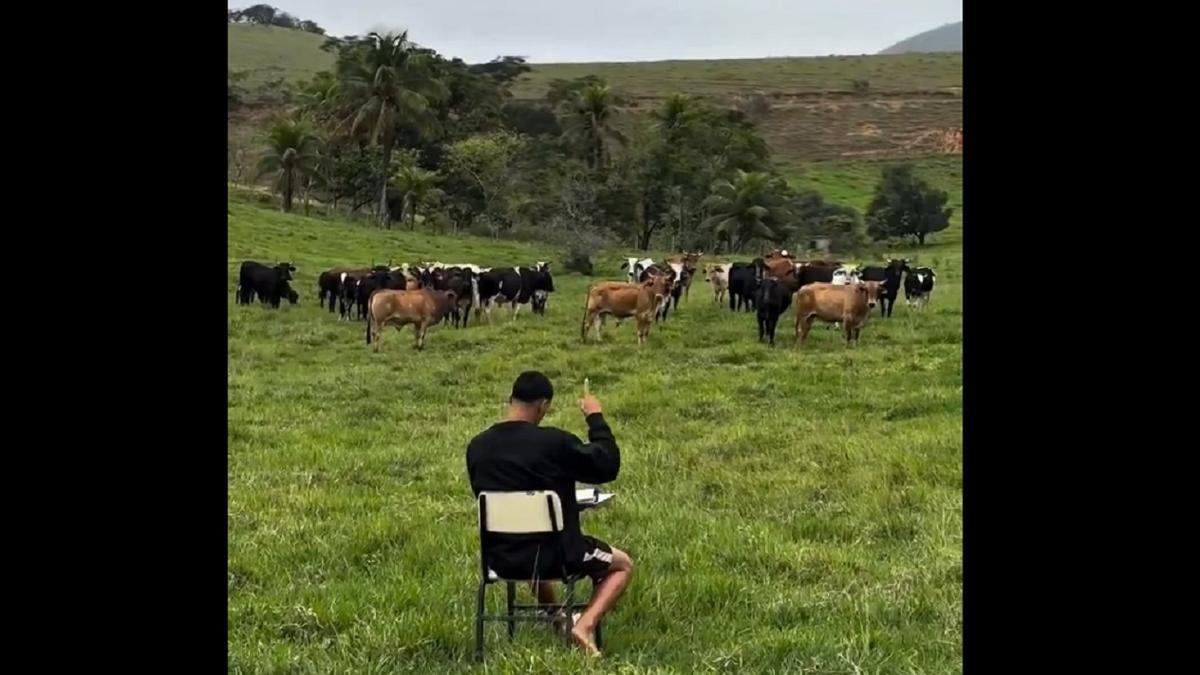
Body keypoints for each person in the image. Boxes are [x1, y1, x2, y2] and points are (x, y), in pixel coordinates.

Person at [466, 370, 632, 656]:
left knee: (531, 544)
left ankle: (559, 620)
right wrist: (595, 417)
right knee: (623, 565)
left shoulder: (477, 448)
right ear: (543, 405)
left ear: (511, 399)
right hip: (558, 556)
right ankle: (584, 626)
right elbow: (607, 466)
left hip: (503, 557)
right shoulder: (555, 443)